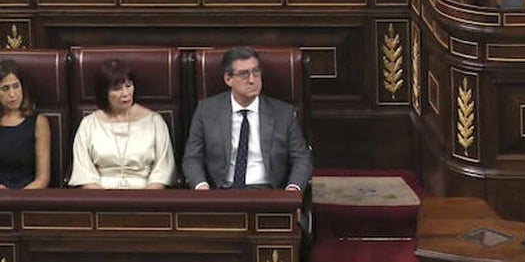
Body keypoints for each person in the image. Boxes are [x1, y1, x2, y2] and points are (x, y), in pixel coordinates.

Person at [182, 46, 312, 191]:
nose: (252, 80)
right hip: (221, 192)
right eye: (244, 74)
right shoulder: (206, 110)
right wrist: (201, 186)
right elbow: (192, 157)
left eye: (256, 72)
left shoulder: (283, 113)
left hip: (269, 192)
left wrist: (293, 189)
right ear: (228, 79)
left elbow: (301, 158)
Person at [69, 59, 175, 189]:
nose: (125, 93)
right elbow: (84, 172)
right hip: (99, 197)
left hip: (147, 195)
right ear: (104, 93)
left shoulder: (155, 122)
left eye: (128, 85)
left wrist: (145, 202)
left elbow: (163, 171)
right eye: (117, 89)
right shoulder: (89, 124)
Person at [0, 60, 50, 189]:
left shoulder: (38, 122)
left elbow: (42, 179)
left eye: (16, 86)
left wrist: (17, 199)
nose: (12, 94)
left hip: (28, 198)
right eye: (5, 88)